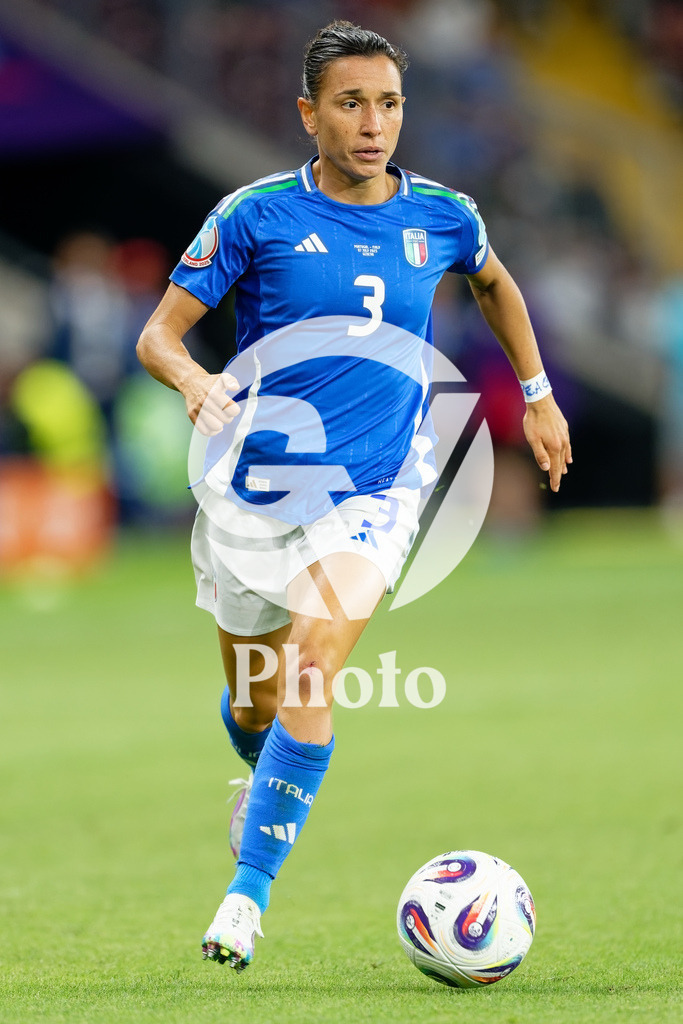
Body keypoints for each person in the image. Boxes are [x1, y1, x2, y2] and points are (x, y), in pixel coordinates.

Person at [136, 20, 571, 973]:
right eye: (350, 103)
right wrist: (194, 381)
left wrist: (535, 396)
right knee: (253, 706)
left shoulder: (445, 214)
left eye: (388, 104)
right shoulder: (252, 214)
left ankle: (245, 899)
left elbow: (494, 284)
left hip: (374, 487)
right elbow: (159, 335)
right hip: (254, 495)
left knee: (313, 663)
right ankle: (264, 782)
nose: (373, 124)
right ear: (309, 112)